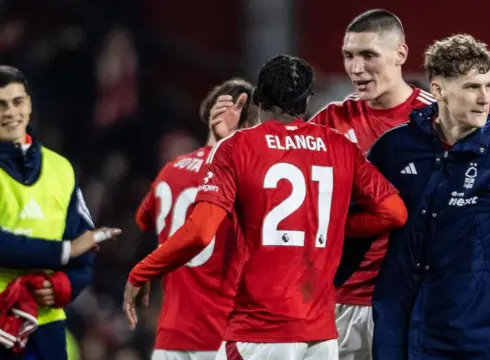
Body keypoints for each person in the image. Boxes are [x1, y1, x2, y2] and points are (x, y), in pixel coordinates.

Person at [124, 54, 408, 360]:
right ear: (307, 102)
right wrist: (337, 226)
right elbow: (394, 212)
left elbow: (200, 232)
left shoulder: (237, 148)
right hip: (322, 337)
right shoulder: (340, 146)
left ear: (258, 99)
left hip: (259, 332)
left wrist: (142, 271)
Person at [369, 34, 490, 359]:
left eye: (488, 85)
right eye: (471, 87)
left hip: (485, 343)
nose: (484, 98)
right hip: (403, 338)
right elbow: (350, 232)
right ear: (438, 90)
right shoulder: (393, 149)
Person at [0, 65, 120, 360]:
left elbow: (86, 243)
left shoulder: (60, 169)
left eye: (17, 102)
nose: (11, 113)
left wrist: (66, 284)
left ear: (29, 104)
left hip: (45, 326)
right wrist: (65, 251)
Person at [307, 9, 434, 359]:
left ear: (401, 54)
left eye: (368, 55)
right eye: (349, 56)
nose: (356, 68)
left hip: (412, 302)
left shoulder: (437, 122)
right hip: (339, 301)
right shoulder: (329, 123)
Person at [134, 78, 256, 360]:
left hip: (170, 336)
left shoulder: (170, 170)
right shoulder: (241, 179)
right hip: (222, 337)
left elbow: (143, 221)